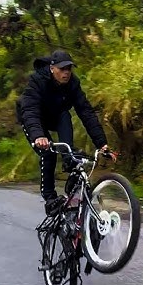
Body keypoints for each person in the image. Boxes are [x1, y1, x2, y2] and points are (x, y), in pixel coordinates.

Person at [16, 50, 110, 215]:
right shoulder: (37, 80)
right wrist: (39, 135)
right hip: (34, 121)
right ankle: (50, 199)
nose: (66, 72)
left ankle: (69, 168)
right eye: (62, 69)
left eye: (69, 69)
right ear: (52, 68)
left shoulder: (73, 83)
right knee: (48, 154)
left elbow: (86, 112)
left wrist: (101, 143)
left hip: (56, 116)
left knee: (71, 149)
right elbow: (30, 110)